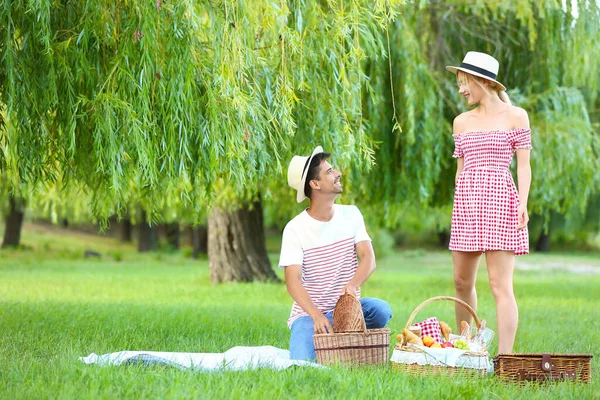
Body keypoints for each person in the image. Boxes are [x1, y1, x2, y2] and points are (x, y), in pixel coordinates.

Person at [446, 51, 532, 354]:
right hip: (467, 203)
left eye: (463, 83)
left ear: (482, 81)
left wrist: (522, 202)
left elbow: (523, 165)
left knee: (499, 285)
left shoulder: (516, 116)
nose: (460, 90)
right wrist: (461, 202)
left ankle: (505, 357)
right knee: (460, 282)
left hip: (501, 200)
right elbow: (460, 170)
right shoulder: (461, 122)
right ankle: (467, 349)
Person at [278, 146, 392, 361]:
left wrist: (352, 285)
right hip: (310, 315)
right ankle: (336, 337)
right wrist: (317, 315)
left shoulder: (351, 214)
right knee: (301, 362)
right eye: (329, 171)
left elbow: (368, 259)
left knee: (380, 310)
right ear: (315, 184)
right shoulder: (295, 229)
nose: (338, 173)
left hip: (348, 311)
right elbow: (293, 282)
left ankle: (345, 331)